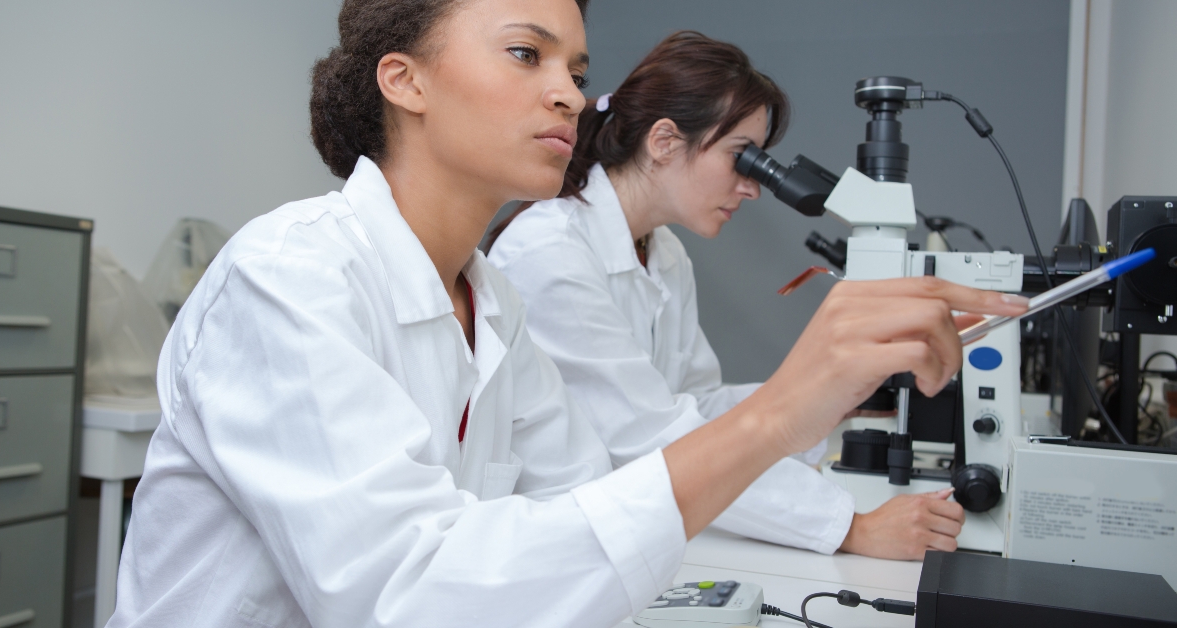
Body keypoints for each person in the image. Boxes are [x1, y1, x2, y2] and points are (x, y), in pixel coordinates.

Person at [108, 1, 1027, 626]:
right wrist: (785, 415)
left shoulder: (490, 302)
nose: (571, 94)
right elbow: (408, 596)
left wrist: (826, 393)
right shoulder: (291, 278)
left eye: (577, 68)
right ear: (405, 80)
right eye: (526, 53)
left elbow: (583, 495)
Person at [488, 31, 974, 560]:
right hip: (555, 549)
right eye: (742, 158)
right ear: (664, 141)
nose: (753, 186)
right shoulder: (551, 251)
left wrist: (836, 395)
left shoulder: (662, 251)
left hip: (631, 531)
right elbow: (654, 437)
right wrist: (851, 528)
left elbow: (698, 406)